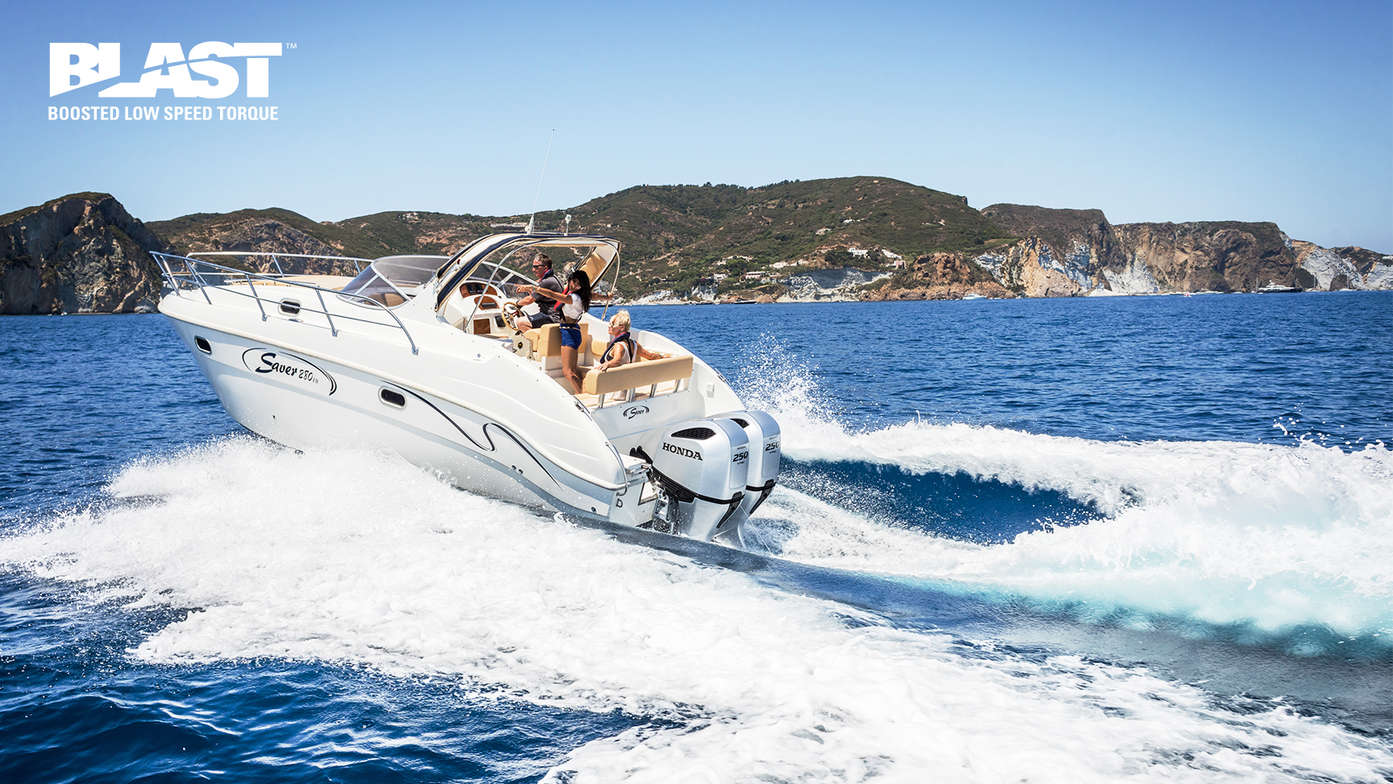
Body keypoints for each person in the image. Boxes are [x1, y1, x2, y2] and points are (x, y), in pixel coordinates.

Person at [525, 270, 591, 393]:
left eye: (578, 283)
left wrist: (536, 288)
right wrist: (607, 297)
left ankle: (582, 396)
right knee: (573, 370)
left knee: (568, 372)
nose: (574, 285)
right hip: (572, 332)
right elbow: (597, 296)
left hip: (569, 333)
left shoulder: (573, 298)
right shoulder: (583, 296)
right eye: (574, 282)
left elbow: (553, 295)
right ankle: (583, 393)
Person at [597, 310, 669, 370]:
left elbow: (617, 360)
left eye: (612, 324)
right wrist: (663, 357)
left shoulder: (618, 345)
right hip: (628, 380)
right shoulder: (634, 344)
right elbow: (651, 356)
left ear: (622, 328)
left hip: (614, 381)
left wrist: (607, 364)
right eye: (609, 323)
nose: (609, 326)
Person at [513, 253, 561, 332]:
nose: (533, 270)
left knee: (521, 322)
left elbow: (529, 300)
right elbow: (537, 295)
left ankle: (537, 343)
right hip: (556, 316)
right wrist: (528, 290)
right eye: (533, 267)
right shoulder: (553, 278)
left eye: (536, 267)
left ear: (545, 268)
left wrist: (517, 304)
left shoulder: (547, 282)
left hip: (552, 317)